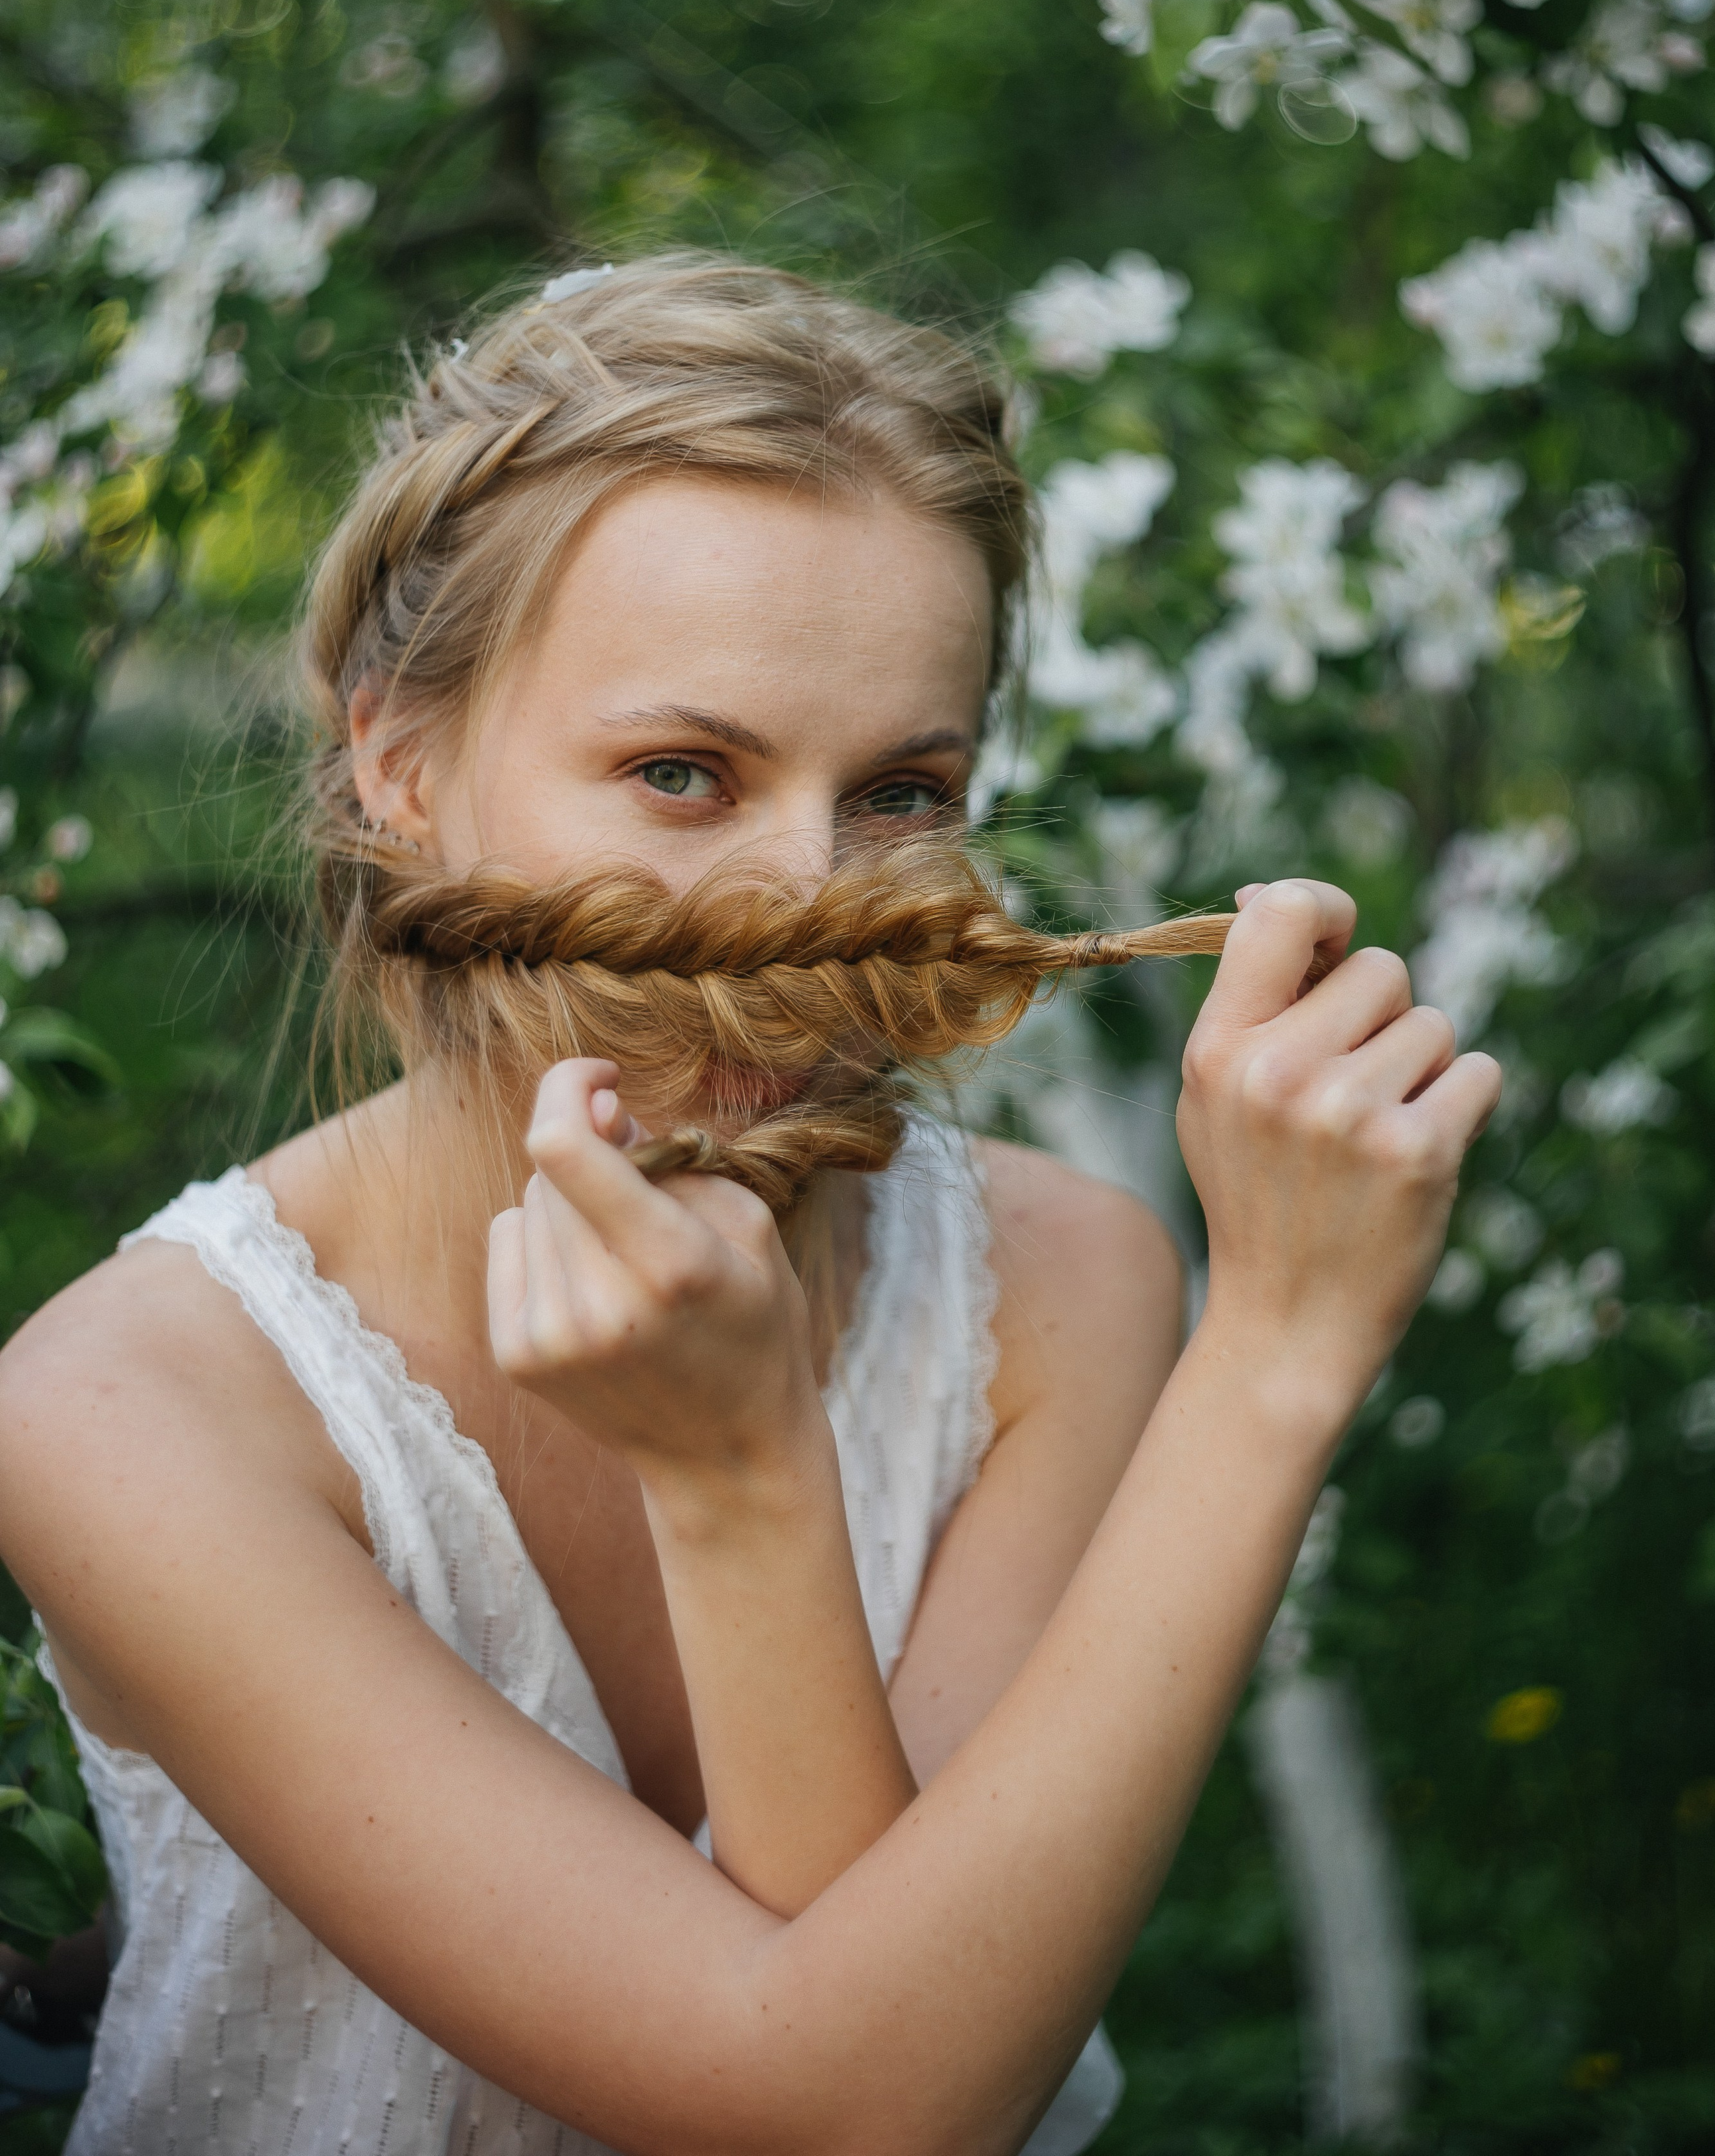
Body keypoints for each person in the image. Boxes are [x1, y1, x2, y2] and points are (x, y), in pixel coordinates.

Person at [0, 253, 1499, 2156]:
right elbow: (849, 2116)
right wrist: (752, 1477)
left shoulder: (1058, 1288)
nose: (809, 902)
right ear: (398, 759)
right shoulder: (135, 1414)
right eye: (683, 771)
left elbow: (902, 2040)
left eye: (898, 791)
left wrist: (1273, 1340)